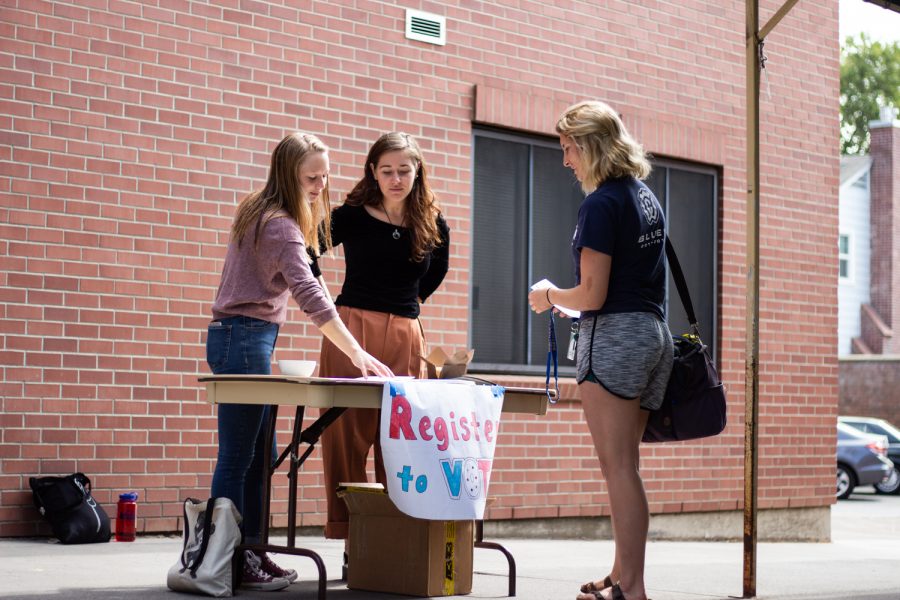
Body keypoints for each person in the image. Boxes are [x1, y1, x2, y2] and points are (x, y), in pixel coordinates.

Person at [206, 132, 393, 591]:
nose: (320, 184)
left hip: (246, 338)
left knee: (260, 456)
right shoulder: (279, 224)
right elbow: (311, 294)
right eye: (312, 177)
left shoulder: (260, 208)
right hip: (243, 339)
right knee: (238, 456)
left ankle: (252, 552)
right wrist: (357, 352)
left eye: (325, 175)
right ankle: (225, 558)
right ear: (288, 174)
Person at [528, 101, 672, 600]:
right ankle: (621, 575)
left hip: (614, 339)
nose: (566, 160)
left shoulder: (601, 204)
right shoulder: (644, 196)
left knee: (618, 469)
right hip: (653, 335)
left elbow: (591, 295)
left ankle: (631, 587)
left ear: (591, 146)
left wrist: (548, 296)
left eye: (569, 149)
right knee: (626, 467)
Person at [317, 132, 450, 546]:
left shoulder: (432, 221)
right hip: (352, 329)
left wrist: (408, 304)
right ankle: (351, 537)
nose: (396, 179)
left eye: (404, 170)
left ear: (417, 172)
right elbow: (304, 250)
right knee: (345, 436)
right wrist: (323, 300)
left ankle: (396, 539)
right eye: (387, 170)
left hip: (408, 334)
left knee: (401, 439)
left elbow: (436, 271)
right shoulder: (352, 215)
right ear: (373, 172)